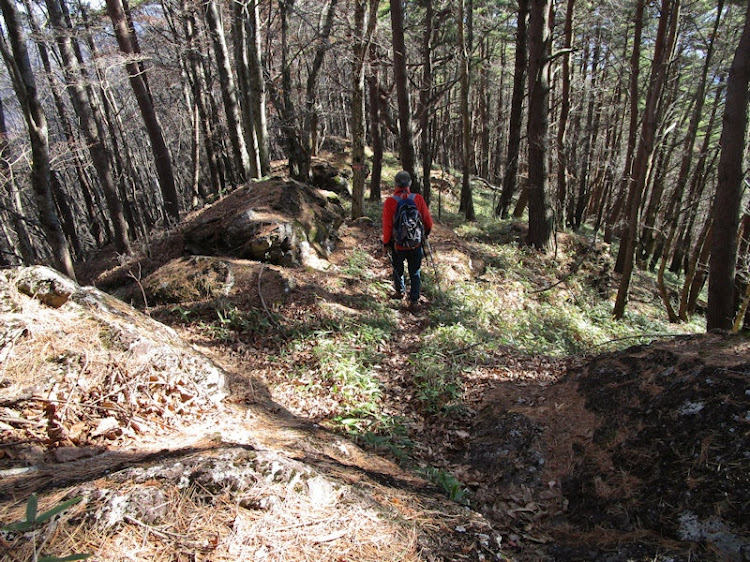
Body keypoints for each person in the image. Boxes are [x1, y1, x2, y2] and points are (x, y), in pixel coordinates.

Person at [381, 171, 434, 311]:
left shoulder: (390, 202)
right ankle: (414, 299)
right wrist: (424, 234)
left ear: (395, 184)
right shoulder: (418, 199)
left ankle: (400, 291)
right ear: (410, 183)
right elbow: (428, 221)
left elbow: (387, 225)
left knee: (398, 268)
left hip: (397, 244)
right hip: (415, 243)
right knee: (415, 271)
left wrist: (386, 243)